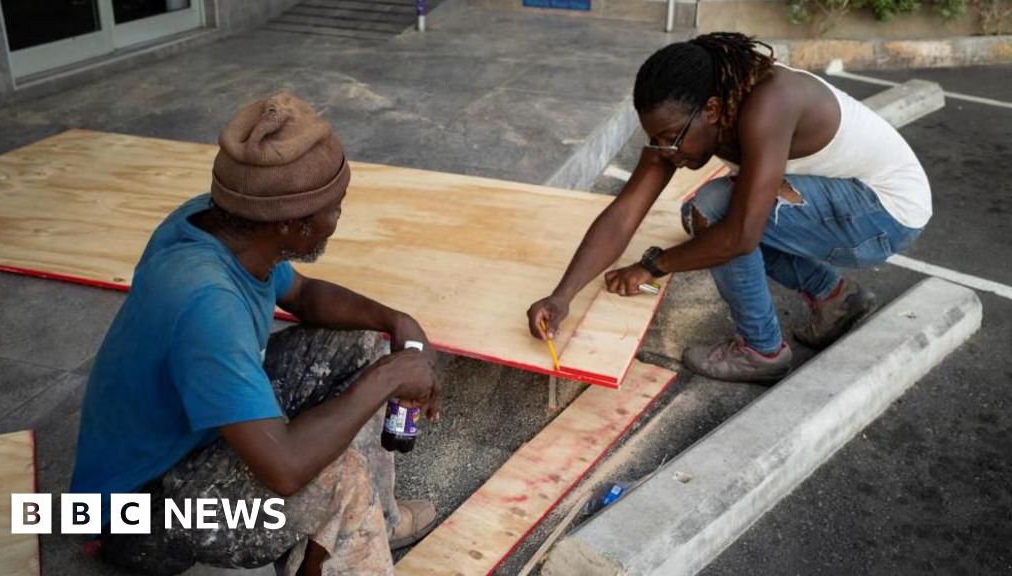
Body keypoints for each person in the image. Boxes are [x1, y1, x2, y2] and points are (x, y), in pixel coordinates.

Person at [70, 92, 441, 575]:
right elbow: (283, 469)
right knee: (338, 478)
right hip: (131, 518)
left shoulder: (226, 224)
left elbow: (306, 297)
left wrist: (396, 322)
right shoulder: (207, 304)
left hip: (192, 443)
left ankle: (373, 522)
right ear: (290, 224)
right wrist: (389, 380)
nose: (338, 219)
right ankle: (351, 534)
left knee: (364, 343)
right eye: (334, 207)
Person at [527, 33, 930, 384]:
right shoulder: (696, 114)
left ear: (714, 111)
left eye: (670, 137)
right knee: (703, 217)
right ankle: (834, 297)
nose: (664, 149)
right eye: (656, 137)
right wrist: (562, 296)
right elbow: (624, 214)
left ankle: (762, 352)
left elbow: (740, 237)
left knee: (715, 211)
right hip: (849, 203)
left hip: (884, 215)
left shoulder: (769, 104)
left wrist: (652, 265)